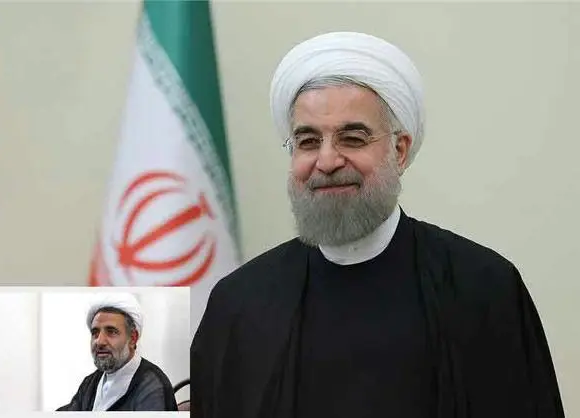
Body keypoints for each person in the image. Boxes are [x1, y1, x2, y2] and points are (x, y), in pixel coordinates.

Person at [190, 32, 565, 418]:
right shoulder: (238, 305)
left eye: (352, 138)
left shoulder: (484, 288)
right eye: (308, 141)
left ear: (399, 151)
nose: (327, 161)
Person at [57, 294, 178, 411]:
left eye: (111, 332)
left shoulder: (152, 386)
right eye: (95, 333)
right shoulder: (91, 382)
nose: (99, 341)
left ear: (133, 338)